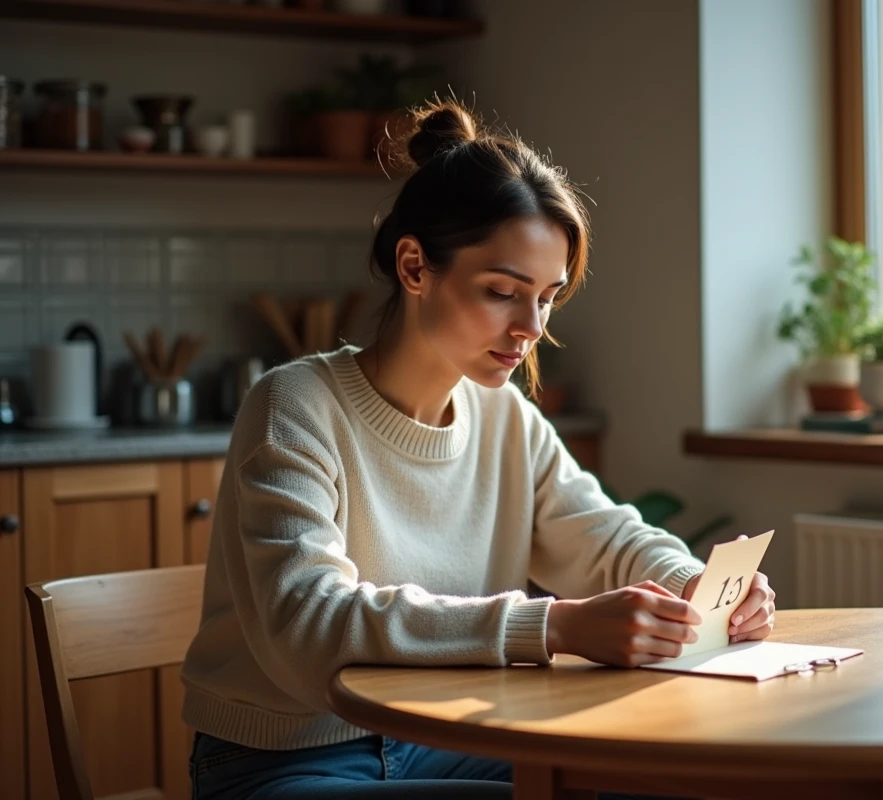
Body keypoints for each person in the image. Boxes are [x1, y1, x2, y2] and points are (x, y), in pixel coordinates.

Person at [180, 98, 776, 800]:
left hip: (449, 739)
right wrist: (553, 625)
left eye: (548, 297)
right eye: (502, 292)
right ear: (413, 266)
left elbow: (606, 538)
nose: (530, 326)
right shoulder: (296, 406)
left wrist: (693, 589)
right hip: (288, 761)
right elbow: (309, 624)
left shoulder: (504, 418)